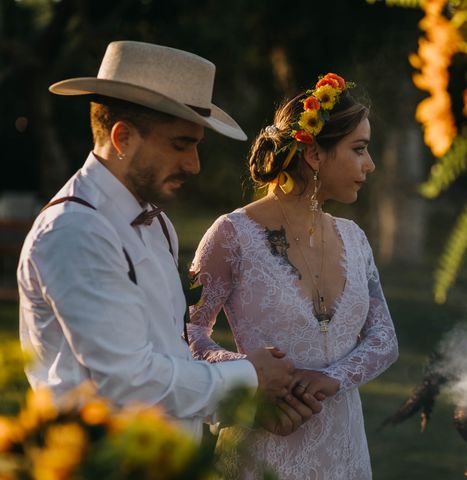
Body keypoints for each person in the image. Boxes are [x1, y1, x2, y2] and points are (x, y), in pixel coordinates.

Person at [17, 40, 296, 439]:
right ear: (123, 137)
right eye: (181, 145)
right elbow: (127, 382)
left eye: (197, 146)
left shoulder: (158, 224)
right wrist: (249, 378)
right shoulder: (74, 232)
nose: (194, 165)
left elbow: (167, 358)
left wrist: (242, 406)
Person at [188, 73, 399, 478]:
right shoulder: (231, 235)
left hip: (344, 453)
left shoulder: (354, 239)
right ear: (315, 154)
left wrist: (330, 378)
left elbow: (384, 337)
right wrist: (250, 378)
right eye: (358, 149)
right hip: (261, 448)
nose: (369, 165)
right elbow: (186, 332)